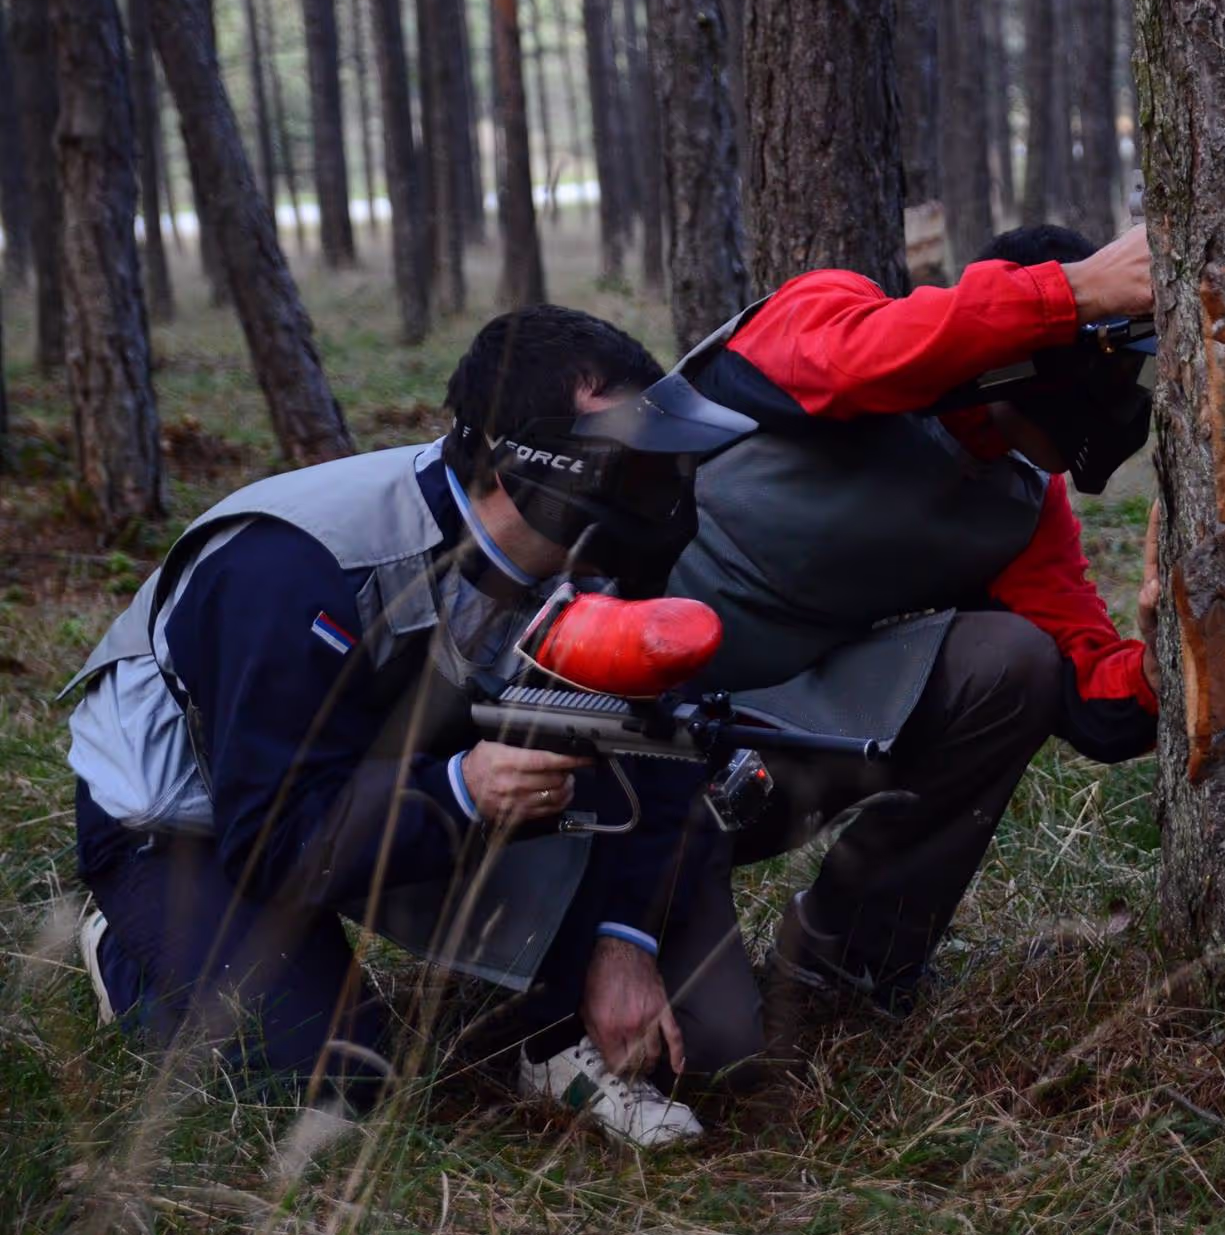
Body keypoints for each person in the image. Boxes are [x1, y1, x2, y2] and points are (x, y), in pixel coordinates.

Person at [65, 307, 759, 1148]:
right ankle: (129, 953)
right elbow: (270, 842)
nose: (659, 492)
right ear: (518, 466)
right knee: (327, 1080)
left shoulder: (591, 565)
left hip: (401, 775)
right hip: (194, 826)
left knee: (713, 1045)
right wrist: (466, 791)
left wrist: (622, 939)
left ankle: (544, 1038)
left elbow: (656, 745)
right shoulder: (298, 570)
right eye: (629, 465)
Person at [665, 222, 1162, 1040]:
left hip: (762, 760)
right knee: (697, 1050)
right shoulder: (830, 314)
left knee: (1015, 663)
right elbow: (873, 355)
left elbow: (1094, 701)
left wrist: (1171, 654)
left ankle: (847, 967)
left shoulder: (1019, 505)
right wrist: (1071, 295)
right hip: (608, 733)